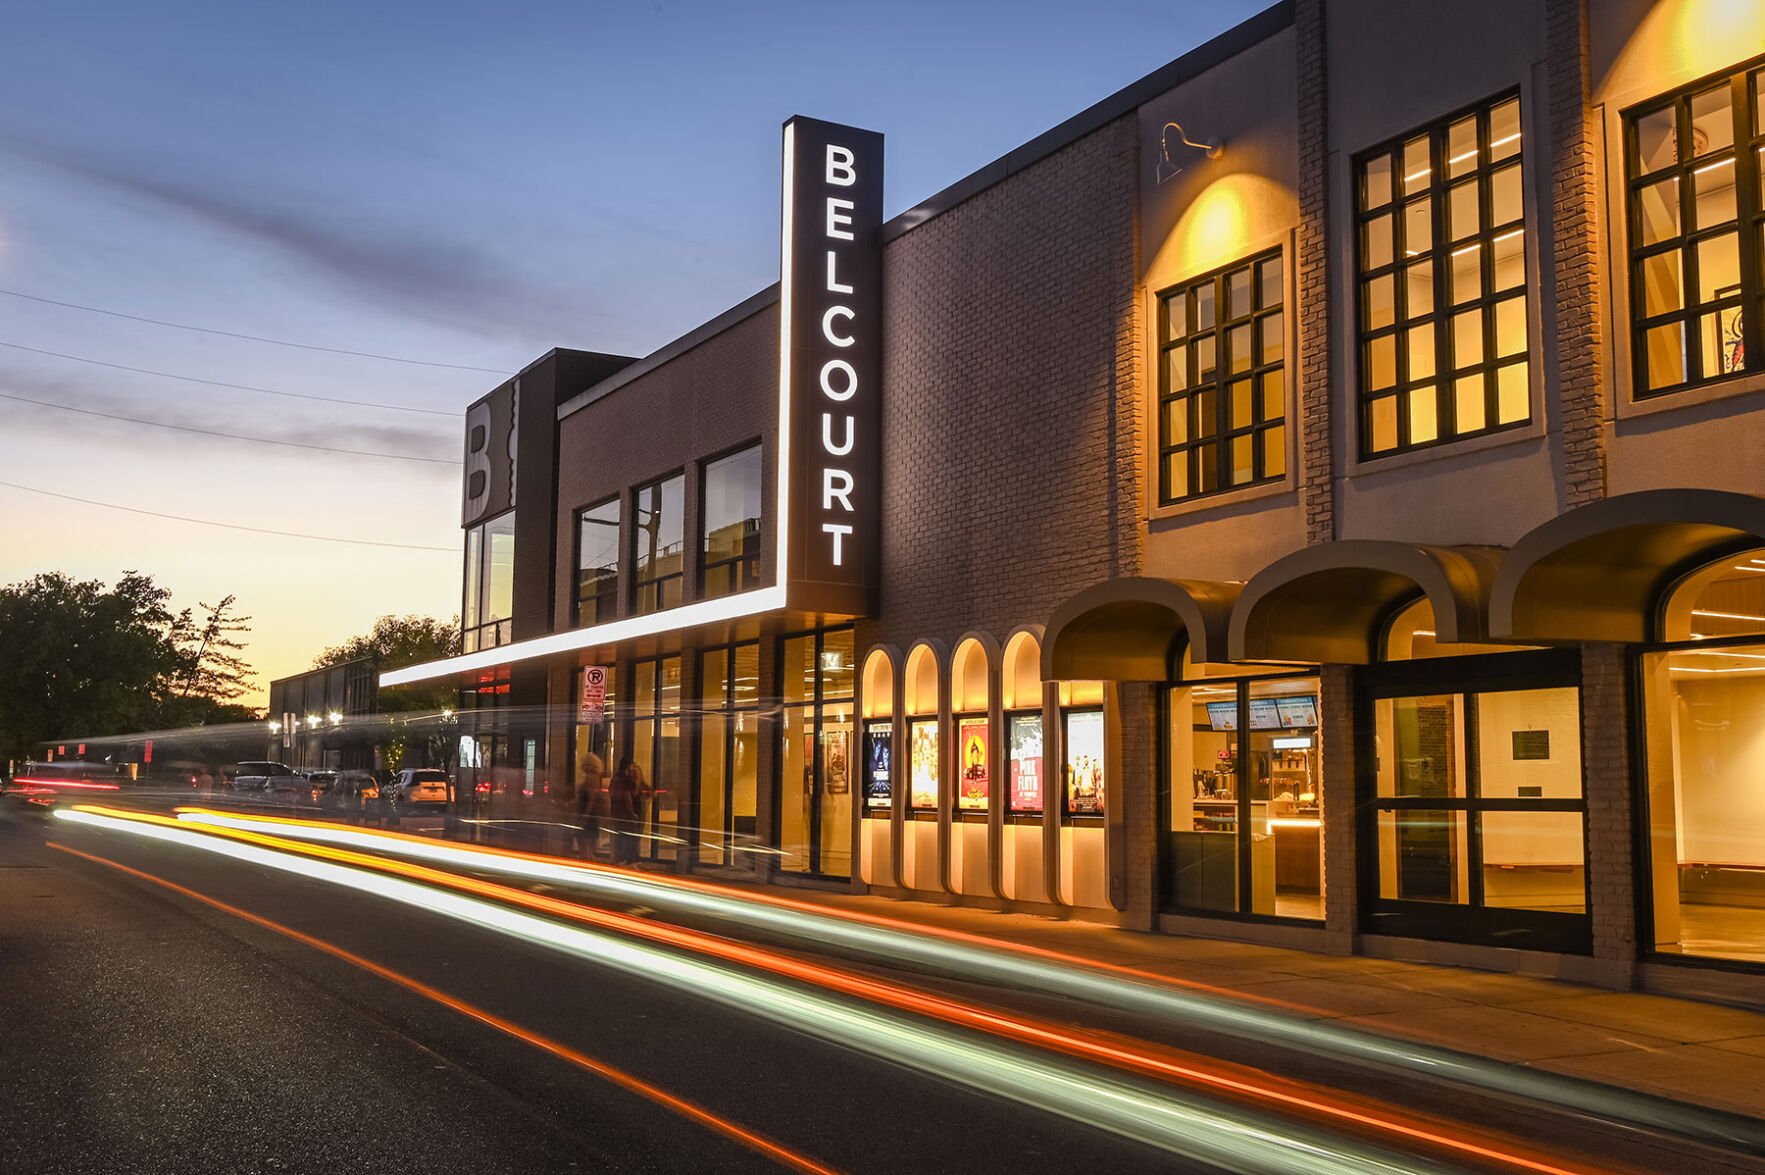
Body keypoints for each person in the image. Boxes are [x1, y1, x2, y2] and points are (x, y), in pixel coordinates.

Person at [607, 755, 651, 865]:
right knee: (630, 836)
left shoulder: (616, 778)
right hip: (625, 812)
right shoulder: (624, 779)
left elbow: (611, 792)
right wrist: (631, 812)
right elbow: (627, 797)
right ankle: (627, 859)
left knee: (622, 835)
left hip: (617, 811)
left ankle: (622, 858)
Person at [576, 748, 607, 858]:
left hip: (588, 816)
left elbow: (591, 800)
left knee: (584, 846)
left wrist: (584, 817)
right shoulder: (594, 778)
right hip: (591, 816)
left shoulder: (591, 779)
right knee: (588, 846)